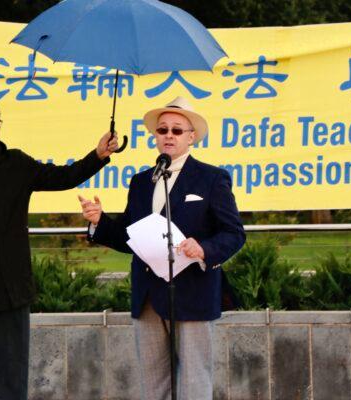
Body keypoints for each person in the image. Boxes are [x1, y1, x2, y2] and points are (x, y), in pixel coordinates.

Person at [0, 93, 118, 400]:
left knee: (12, 383)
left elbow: (63, 177)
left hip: (15, 291)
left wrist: (98, 155)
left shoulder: (17, 163)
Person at [78, 96, 245, 399]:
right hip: (149, 298)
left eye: (177, 130)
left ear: (191, 137)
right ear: (155, 136)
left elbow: (234, 234)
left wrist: (205, 249)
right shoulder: (141, 181)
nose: (169, 135)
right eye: (163, 129)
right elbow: (130, 236)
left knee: (194, 381)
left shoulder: (211, 178)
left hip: (193, 292)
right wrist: (99, 222)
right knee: (153, 384)